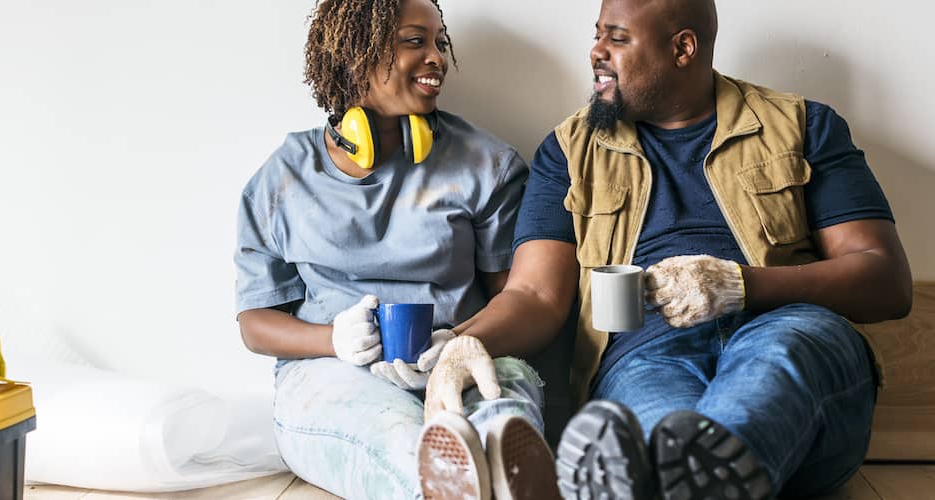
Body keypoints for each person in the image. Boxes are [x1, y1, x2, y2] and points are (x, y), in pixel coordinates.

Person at [423, 0, 913, 499]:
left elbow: (886, 281)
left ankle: (676, 475)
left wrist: (741, 286)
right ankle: (698, 477)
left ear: (682, 48)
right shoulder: (570, 150)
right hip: (646, 357)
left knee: (774, 360)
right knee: (661, 439)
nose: (596, 50)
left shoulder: (803, 125)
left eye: (617, 37)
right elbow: (533, 294)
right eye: (597, 35)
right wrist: (464, 341)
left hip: (788, 330)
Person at [233, 1, 563, 499]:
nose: (437, 58)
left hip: (465, 354)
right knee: (398, 443)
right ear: (354, 52)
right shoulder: (282, 179)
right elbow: (255, 323)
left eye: (439, 43)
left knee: (504, 403)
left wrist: (458, 344)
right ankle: (446, 485)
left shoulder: (485, 164)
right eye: (415, 41)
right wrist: (334, 341)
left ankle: (510, 471)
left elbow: (517, 299)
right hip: (335, 376)